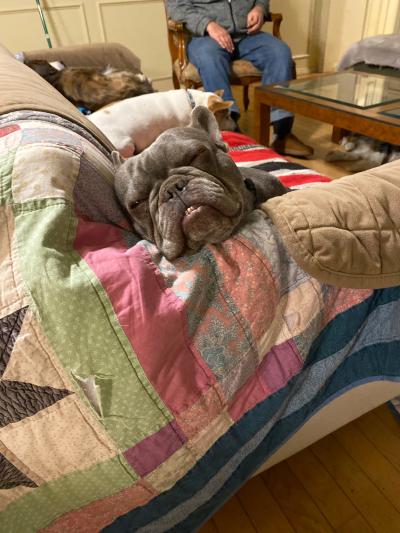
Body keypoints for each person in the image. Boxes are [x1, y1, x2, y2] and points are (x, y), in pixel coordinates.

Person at [166, 0, 313, 158]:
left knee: (280, 52)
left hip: (247, 36)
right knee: (210, 59)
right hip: (205, 38)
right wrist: (208, 25)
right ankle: (230, 132)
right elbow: (177, 8)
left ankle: (281, 132)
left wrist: (259, 9)